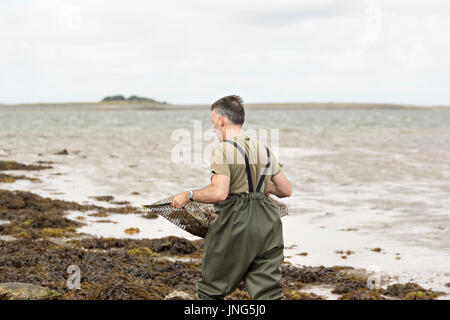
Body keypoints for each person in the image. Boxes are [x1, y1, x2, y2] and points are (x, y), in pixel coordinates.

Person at [172, 95, 292, 300]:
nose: (213, 128)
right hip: (268, 224)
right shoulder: (263, 149)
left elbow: (219, 192)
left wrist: (189, 195)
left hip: (235, 224)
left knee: (211, 291)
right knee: (269, 293)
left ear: (220, 120)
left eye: (213, 123)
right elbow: (285, 190)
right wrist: (256, 186)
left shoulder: (223, 149)